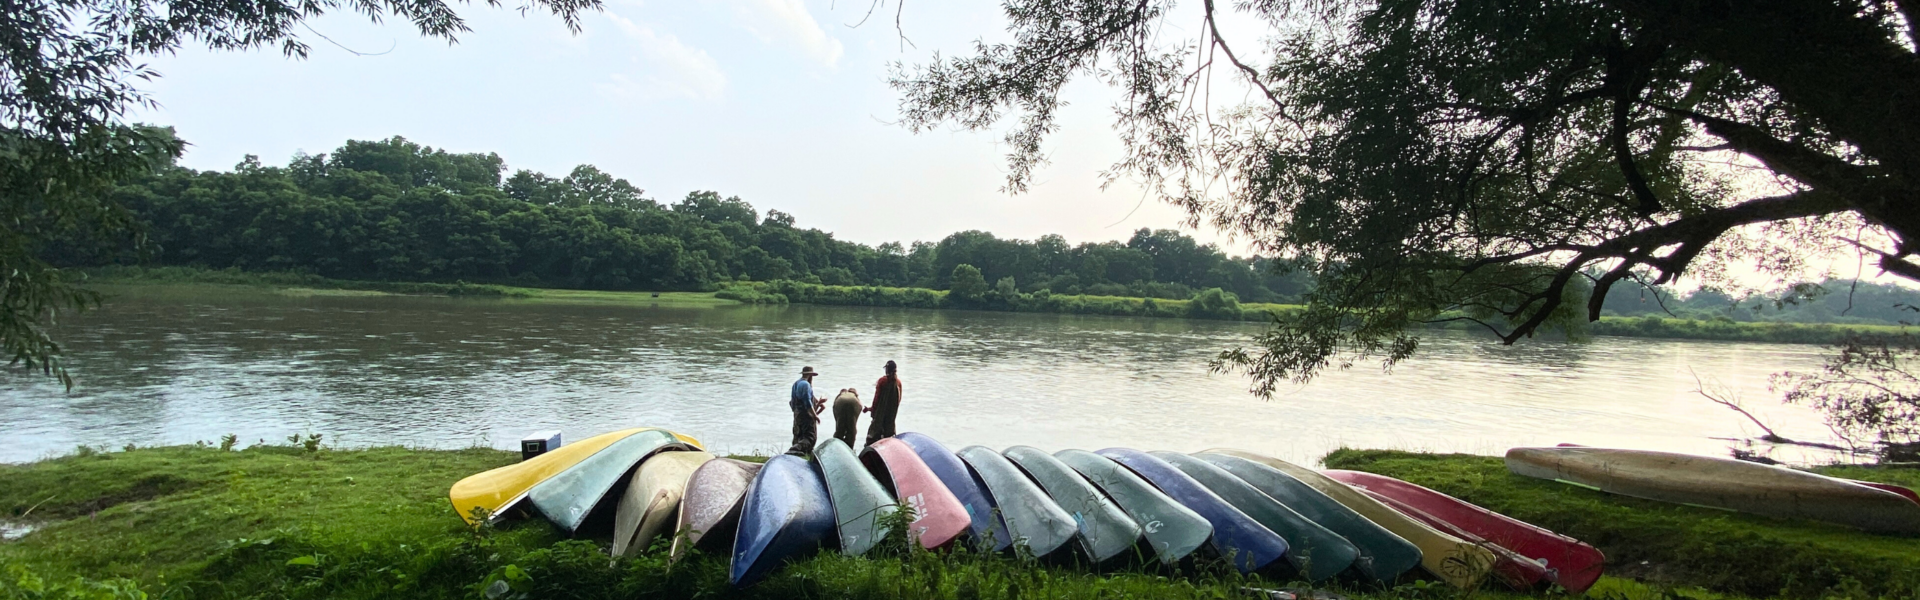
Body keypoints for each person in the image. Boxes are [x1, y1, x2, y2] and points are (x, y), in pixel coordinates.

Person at [786, 366, 826, 456]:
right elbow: (807, 402)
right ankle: (795, 449)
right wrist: (814, 415)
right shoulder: (806, 385)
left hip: (797, 414)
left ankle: (798, 452)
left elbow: (792, 401)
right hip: (806, 414)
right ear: (810, 375)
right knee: (810, 437)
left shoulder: (796, 384)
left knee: (798, 433)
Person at [863, 360, 904, 448]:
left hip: (879, 417)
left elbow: (876, 399)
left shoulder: (882, 381)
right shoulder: (898, 383)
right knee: (889, 436)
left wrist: (872, 410)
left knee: (872, 437)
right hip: (891, 418)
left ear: (887, 370)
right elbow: (898, 400)